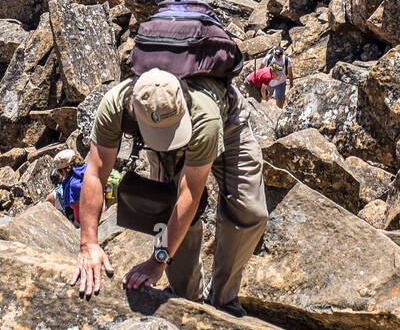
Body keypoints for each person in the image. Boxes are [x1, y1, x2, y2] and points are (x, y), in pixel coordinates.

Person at [70, 68, 268, 316]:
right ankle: (188, 299)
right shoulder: (114, 105)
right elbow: (95, 174)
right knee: (166, 208)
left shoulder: (205, 116)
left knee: (249, 211)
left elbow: (190, 195)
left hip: (226, 122)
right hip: (174, 123)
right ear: (133, 110)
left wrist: (158, 260)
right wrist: (88, 244)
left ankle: (223, 299)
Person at [45, 148, 88, 223]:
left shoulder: (74, 185)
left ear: (64, 170)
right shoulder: (88, 170)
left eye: (60, 171)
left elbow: (80, 207)